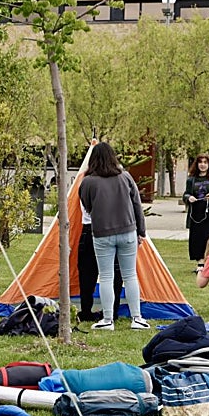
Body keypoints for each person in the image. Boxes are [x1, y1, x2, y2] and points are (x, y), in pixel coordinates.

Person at [77, 141, 148, 331]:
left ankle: (107, 319)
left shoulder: (88, 181)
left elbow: (87, 206)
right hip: (128, 231)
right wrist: (141, 231)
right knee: (130, 275)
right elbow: (137, 205)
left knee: (106, 276)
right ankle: (137, 318)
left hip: (102, 234)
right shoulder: (125, 177)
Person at [77, 201, 122, 323]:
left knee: (87, 274)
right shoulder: (117, 184)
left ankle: (86, 310)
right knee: (113, 274)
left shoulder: (86, 184)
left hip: (90, 228)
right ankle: (112, 310)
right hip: (112, 228)